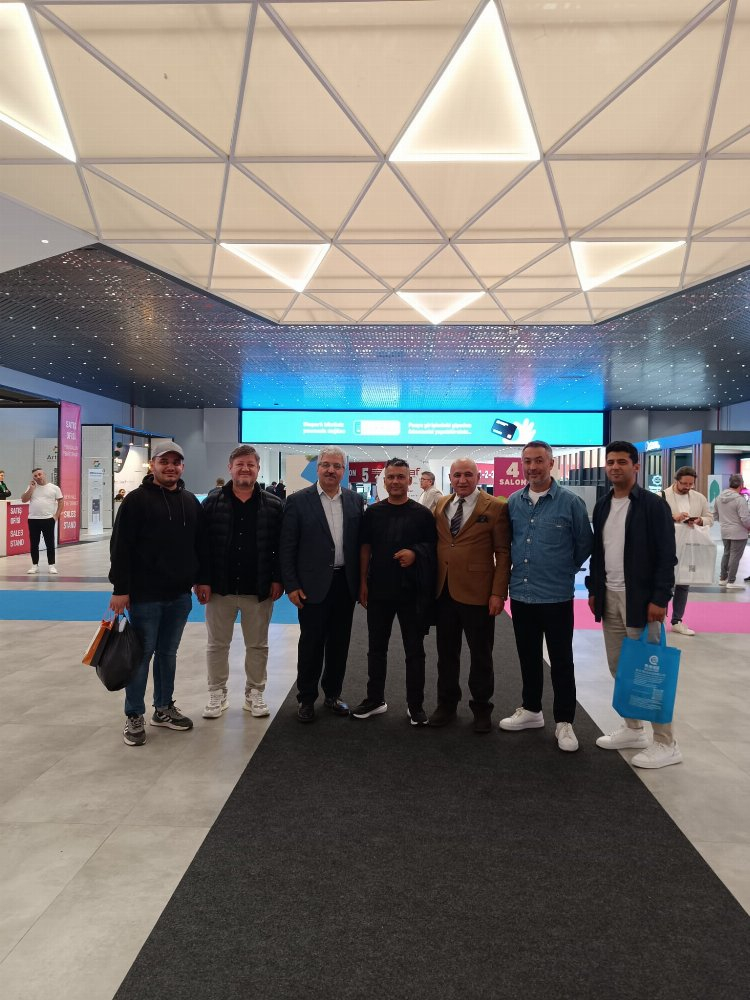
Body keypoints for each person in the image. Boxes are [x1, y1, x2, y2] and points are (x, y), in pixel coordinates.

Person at [586, 441, 680, 769]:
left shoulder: (653, 506)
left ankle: (666, 742)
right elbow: (598, 553)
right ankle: (633, 729)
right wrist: (594, 590)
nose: (615, 467)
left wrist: (660, 598)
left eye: (622, 462)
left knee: (650, 669)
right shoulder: (603, 505)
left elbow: (667, 555)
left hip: (641, 600)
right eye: (610, 462)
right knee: (620, 667)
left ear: (636, 466)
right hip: (609, 597)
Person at [109, 443, 209, 747]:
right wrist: (120, 589)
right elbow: (121, 546)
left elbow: (201, 545)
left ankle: (163, 707)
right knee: (141, 656)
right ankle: (134, 714)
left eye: (176, 462)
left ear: (182, 467)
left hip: (179, 596)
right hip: (145, 596)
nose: (170, 467)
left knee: (168, 654)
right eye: (164, 461)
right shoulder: (136, 501)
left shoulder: (190, 502)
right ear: (153, 465)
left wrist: (201, 580)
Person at [499, 441, 593, 752]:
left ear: (551, 463)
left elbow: (584, 544)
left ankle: (564, 721)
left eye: (539, 460)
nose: (533, 467)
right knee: (528, 657)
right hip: (522, 594)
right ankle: (531, 709)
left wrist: (564, 569)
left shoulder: (570, 502)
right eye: (527, 461)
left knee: (562, 660)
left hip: (556, 596)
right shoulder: (514, 502)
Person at [199, 445, 284, 720]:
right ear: (230, 468)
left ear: (258, 469)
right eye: (240, 464)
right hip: (219, 588)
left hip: (258, 589)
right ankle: (217, 693)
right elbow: (202, 546)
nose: (245, 469)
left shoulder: (273, 505)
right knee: (217, 645)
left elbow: (280, 547)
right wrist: (202, 580)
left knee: (257, 645)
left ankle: (254, 693)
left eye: (250, 464)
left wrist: (277, 579)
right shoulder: (212, 502)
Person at [279, 447, 363, 722]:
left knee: (339, 644)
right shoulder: (297, 501)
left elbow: (358, 544)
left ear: (343, 471)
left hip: (344, 585)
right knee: (311, 645)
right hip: (311, 586)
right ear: (317, 469)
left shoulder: (354, 500)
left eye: (337, 466)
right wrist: (291, 585)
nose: (331, 470)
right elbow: (287, 547)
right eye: (326, 465)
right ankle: (306, 699)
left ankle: (332, 695)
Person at [351, 458, 437, 726]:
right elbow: (365, 548)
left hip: (412, 592)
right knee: (376, 648)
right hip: (379, 589)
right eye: (391, 477)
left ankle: (416, 705)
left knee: (415, 650)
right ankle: (375, 699)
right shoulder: (373, 513)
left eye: (401, 477)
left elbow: (433, 547)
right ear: (384, 481)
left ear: (410, 480)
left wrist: (415, 553)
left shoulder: (422, 514)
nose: (396, 482)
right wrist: (362, 582)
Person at [430, 458, 511, 733]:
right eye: (457, 475)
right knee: (446, 653)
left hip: (479, 593)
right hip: (444, 591)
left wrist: (498, 592)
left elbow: (503, 553)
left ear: (477, 477)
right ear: (450, 478)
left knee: (481, 654)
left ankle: (481, 708)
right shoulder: (442, 504)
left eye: (467, 475)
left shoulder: (496, 507)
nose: (462, 480)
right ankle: (446, 704)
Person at [662, 466, 714, 633]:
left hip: (690, 546)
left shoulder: (699, 498)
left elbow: (710, 518)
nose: (687, 487)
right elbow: (654, 519)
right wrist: (673, 517)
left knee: (684, 584)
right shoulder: (662, 496)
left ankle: (677, 620)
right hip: (667, 547)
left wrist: (699, 520)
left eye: (691, 484)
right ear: (676, 481)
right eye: (684, 483)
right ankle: (660, 619)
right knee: (664, 584)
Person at [21, 468, 63, 575]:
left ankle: (51, 565)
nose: (38, 477)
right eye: (35, 476)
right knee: (34, 543)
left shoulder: (54, 488)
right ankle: (35, 565)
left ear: (44, 474)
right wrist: (31, 489)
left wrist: (56, 516)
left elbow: (61, 501)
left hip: (48, 519)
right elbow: (24, 499)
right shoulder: (31, 487)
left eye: (39, 474)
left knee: (50, 543)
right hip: (33, 519)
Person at [714, 473, 750, 590]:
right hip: (739, 533)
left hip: (725, 531)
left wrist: (726, 523)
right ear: (741, 484)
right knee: (735, 556)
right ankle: (731, 581)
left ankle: (722, 579)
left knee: (726, 554)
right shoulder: (740, 500)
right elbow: (745, 519)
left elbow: (715, 515)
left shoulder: (719, 497)